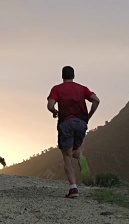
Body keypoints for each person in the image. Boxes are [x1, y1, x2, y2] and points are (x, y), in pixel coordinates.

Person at [47, 66, 100, 198]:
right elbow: (96, 100)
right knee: (76, 150)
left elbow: (50, 105)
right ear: (73, 76)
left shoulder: (57, 88)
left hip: (66, 123)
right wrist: (88, 116)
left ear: (62, 76)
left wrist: (55, 112)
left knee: (66, 156)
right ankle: (80, 156)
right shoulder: (82, 88)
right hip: (81, 123)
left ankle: (73, 189)